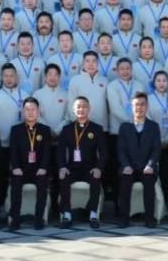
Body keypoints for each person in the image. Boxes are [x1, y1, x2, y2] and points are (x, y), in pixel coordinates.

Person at [58, 97, 107, 229]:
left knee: (96, 178)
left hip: (90, 168)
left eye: (84, 106)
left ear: (89, 109)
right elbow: (60, 151)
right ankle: (67, 214)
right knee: (63, 178)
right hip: (72, 168)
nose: (81, 109)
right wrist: (62, 167)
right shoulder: (67, 129)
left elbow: (103, 152)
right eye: (78, 107)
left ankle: (93, 214)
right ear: (73, 110)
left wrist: (99, 168)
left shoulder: (96, 129)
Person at [116, 92, 162, 228]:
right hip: (129, 166)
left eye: (142, 104)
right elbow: (121, 150)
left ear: (147, 107)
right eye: (136, 105)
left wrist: (150, 165)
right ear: (132, 107)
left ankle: (149, 219)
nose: (139, 107)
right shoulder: (125, 126)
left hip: (147, 167)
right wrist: (126, 165)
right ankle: (124, 218)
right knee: (125, 182)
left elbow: (156, 149)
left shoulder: (153, 126)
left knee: (148, 182)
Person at [8, 97, 53, 231]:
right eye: (27, 109)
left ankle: (39, 219)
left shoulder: (45, 130)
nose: (30, 112)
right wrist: (16, 167)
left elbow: (47, 152)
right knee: (15, 184)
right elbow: (13, 151)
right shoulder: (16, 130)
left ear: (38, 111)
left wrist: (43, 168)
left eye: (33, 109)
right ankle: (15, 219)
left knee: (42, 184)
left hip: (38, 169)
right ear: (23, 111)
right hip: (21, 169)